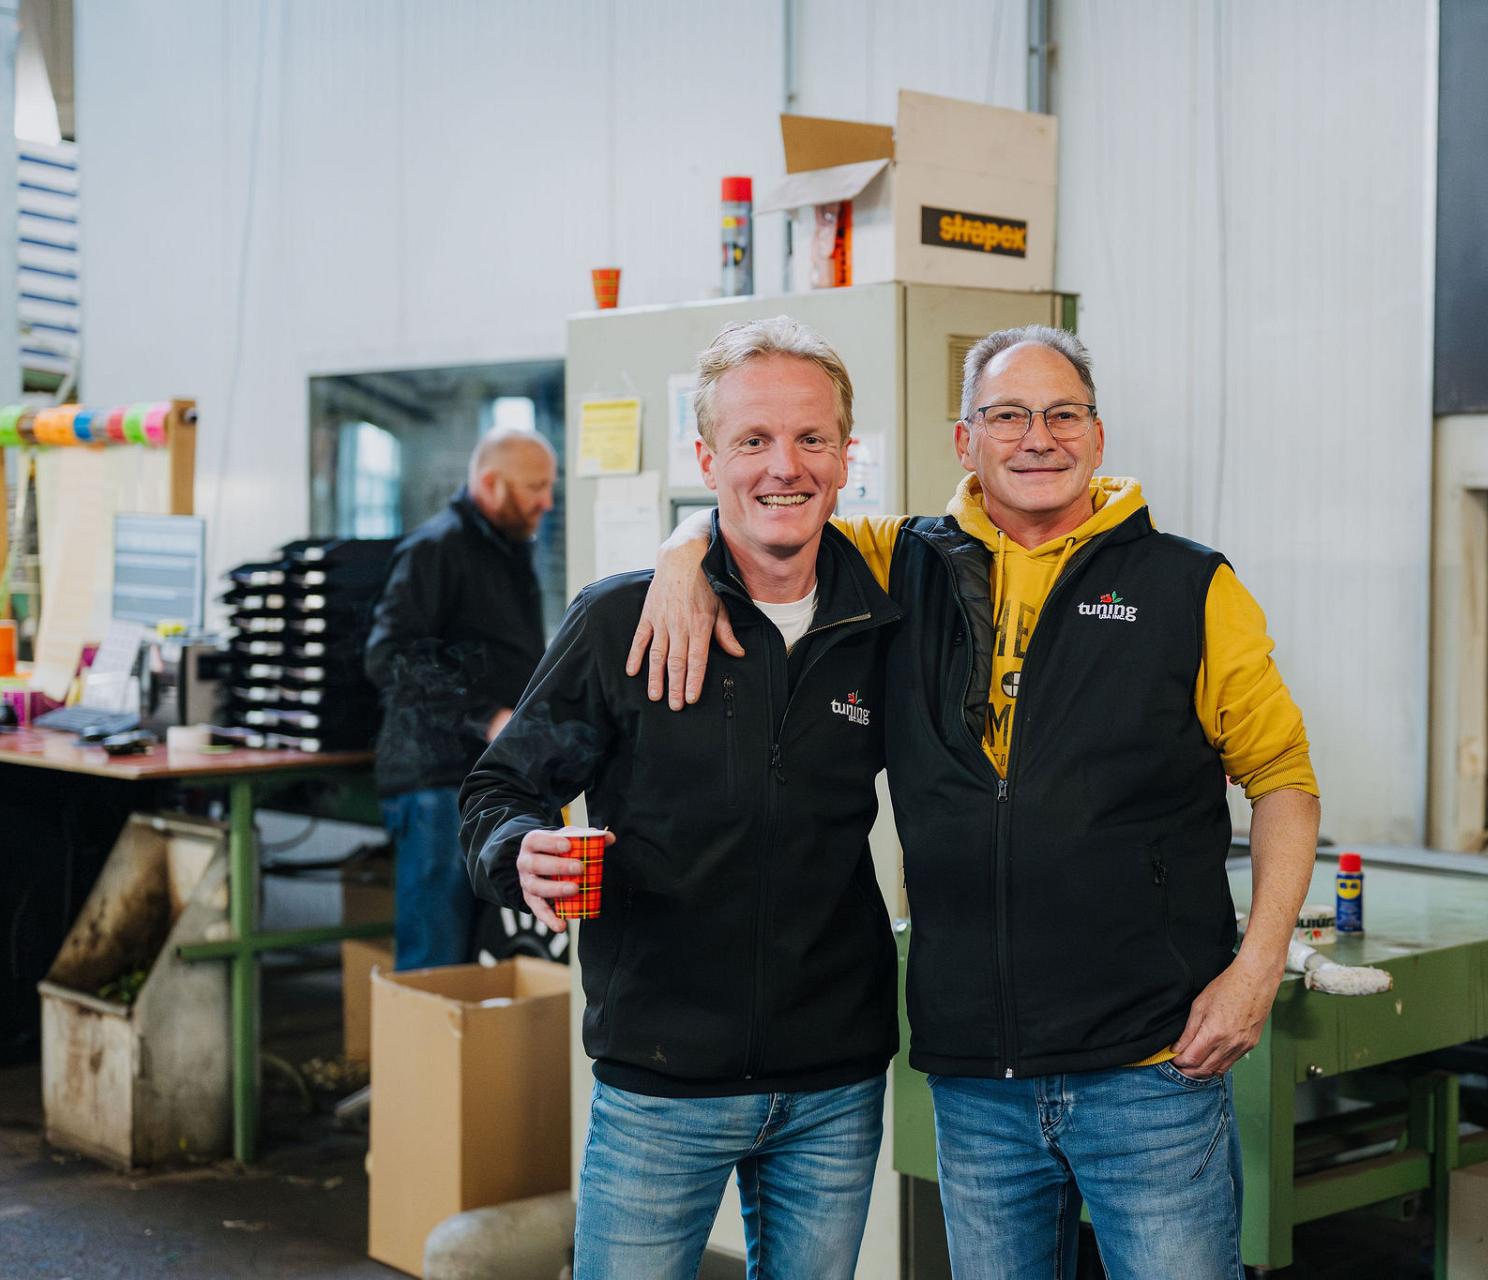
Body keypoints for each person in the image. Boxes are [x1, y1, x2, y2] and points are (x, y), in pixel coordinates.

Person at [633, 325, 1321, 1278]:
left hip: (1152, 1065)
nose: (1038, 438)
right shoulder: (896, 562)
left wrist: (1256, 971)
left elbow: (1283, 781)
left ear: (1098, 434)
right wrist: (681, 549)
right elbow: (774, 513)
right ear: (966, 440)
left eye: (1063, 414)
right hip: (977, 1078)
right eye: (1008, 415)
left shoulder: (1187, 585)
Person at [460, 317, 900, 1279]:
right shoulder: (621, 620)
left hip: (835, 1079)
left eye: (811, 437)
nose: (784, 466)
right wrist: (516, 850)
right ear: (706, 459)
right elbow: (501, 789)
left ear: (845, 454)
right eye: (752, 439)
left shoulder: (887, 617)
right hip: (661, 1078)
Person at [365, 427, 555, 971]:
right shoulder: (436, 549)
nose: (547, 501)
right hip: (436, 784)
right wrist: (485, 715)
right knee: (436, 960)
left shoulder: (509, 551)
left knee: (480, 957)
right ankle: (420, 1034)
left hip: (487, 781)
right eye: (535, 487)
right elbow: (390, 656)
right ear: (491, 484)